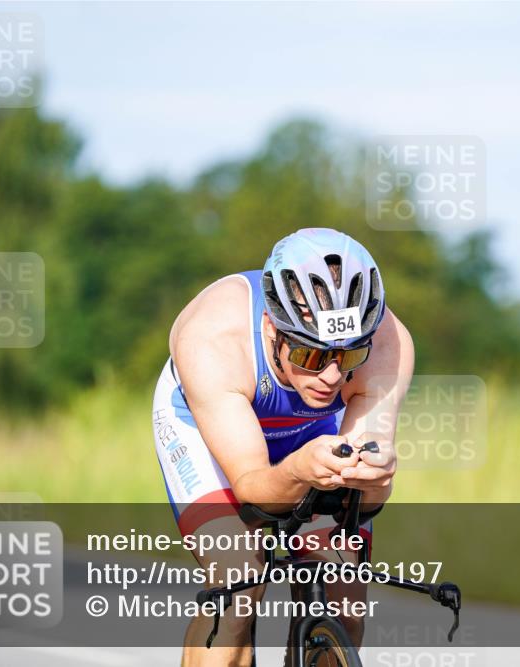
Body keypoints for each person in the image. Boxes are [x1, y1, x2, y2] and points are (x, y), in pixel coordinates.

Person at [152, 227, 414, 666]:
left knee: (344, 603)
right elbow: (253, 487)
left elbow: (365, 500)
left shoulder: (388, 342)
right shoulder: (212, 338)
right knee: (239, 581)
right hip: (210, 428)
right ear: (273, 329)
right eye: (312, 356)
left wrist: (379, 478)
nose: (332, 377)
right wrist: (297, 471)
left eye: (347, 357)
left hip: (315, 432)